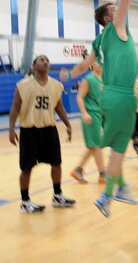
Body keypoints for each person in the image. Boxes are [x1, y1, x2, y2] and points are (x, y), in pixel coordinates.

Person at [60, 0, 138, 218]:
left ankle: (113, 193)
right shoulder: (116, 27)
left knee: (118, 147)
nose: (119, 8)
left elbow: (84, 64)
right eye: (114, 7)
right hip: (120, 95)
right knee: (115, 147)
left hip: (111, 96)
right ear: (109, 16)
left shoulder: (98, 40)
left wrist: (67, 74)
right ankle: (113, 191)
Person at [9, 55, 76, 214]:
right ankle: (25, 201)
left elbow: (59, 107)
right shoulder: (23, 85)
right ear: (33, 66)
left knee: (56, 163)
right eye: (41, 60)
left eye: (47, 60)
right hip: (29, 131)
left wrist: (67, 124)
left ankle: (57, 196)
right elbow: (15, 108)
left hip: (49, 130)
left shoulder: (56, 85)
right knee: (26, 168)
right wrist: (11, 129)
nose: (45, 62)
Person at [70, 61, 106, 184]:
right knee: (96, 145)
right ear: (92, 64)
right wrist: (84, 113)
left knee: (93, 145)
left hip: (100, 114)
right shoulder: (88, 79)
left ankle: (78, 170)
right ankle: (103, 174)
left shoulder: (103, 79)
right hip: (90, 115)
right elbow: (79, 97)